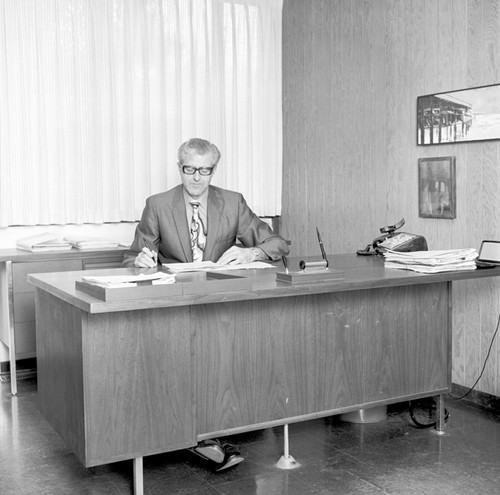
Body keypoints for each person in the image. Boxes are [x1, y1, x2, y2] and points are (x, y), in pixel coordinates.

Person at [123, 137, 290, 470]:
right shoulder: (157, 204)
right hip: (174, 306)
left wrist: (251, 252)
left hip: (221, 304)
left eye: (205, 170)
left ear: (214, 170)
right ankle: (194, 434)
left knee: (224, 362)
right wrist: (140, 262)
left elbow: (277, 243)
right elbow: (131, 257)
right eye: (190, 169)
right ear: (179, 168)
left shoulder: (232, 202)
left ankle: (214, 428)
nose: (197, 178)